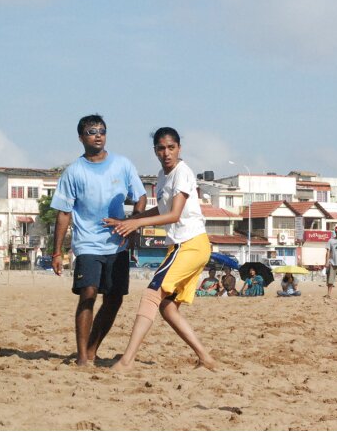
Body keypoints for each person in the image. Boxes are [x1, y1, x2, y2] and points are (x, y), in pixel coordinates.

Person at [104, 127, 216, 371]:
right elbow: (163, 209)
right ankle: (205, 358)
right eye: (161, 148)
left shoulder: (182, 173)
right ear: (155, 150)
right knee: (167, 307)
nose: (166, 153)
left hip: (190, 244)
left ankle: (127, 360)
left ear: (179, 148)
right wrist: (130, 220)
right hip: (180, 246)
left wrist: (137, 222)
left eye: (171, 147)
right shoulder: (163, 176)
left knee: (152, 294)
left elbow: (174, 215)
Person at [50, 114, 147, 367]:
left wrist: (133, 223)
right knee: (89, 293)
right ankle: (82, 356)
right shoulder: (74, 172)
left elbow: (140, 197)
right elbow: (63, 213)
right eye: (92, 131)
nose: (98, 135)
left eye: (102, 131)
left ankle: (93, 348)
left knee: (114, 299)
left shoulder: (122, 165)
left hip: (118, 245)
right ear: (81, 137)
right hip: (87, 244)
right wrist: (57, 252)